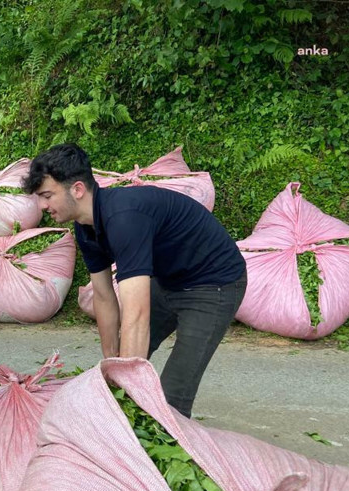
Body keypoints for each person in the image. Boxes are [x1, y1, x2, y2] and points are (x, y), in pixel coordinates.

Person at [23, 144, 246, 418]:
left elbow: (136, 314)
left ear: (77, 189)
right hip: (168, 281)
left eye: (47, 195)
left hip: (214, 284)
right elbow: (104, 297)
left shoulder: (124, 219)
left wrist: (124, 388)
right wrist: (110, 368)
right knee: (123, 365)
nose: (43, 206)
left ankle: (161, 446)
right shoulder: (85, 227)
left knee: (172, 395)